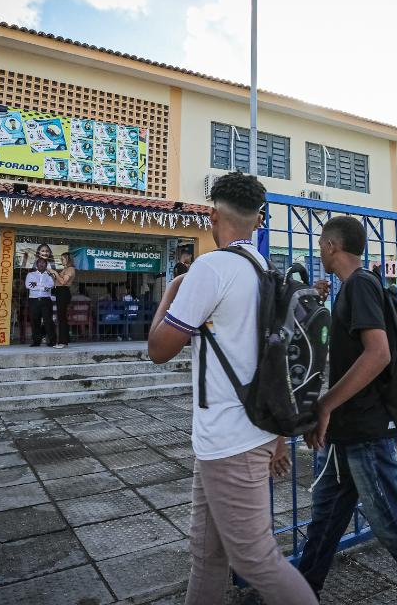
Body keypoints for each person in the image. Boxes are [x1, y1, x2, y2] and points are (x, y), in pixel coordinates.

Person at [147, 172, 316, 605]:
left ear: (210, 216)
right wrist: (277, 437)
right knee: (206, 555)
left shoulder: (210, 269)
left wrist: (170, 292)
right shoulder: (264, 270)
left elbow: (159, 348)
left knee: (257, 560)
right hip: (244, 433)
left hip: (229, 441)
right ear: (259, 220)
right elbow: (271, 360)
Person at [298, 216, 397, 605]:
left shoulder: (360, 284)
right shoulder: (354, 287)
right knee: (325, 521)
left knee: (392, 522)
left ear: (331, 246)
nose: (318, 251)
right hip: (347, 434)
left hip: (365, 433)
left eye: (320, 244)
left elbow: (377, 354)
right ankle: (298, 593)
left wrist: (325, 404)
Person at [25, 258, 55, 347]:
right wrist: (43, 287)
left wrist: (36, 285)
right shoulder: (30, 274)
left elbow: (50, 286)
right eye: (40, 263)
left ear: (46, 265)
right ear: (36, 265)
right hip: (34, 300)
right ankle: (36, 341)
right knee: (35, 321)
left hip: (46, 300)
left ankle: (52, 341)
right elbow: (28, 285)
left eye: (43, 263)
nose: (41, 264)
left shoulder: (50, 275)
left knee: (48, 321)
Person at [51, 251, 76, 349]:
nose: (61, 260)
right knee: (61, 318)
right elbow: (58, 281)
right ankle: (65, 340)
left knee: (62, 318)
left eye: (63, 259)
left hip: (63, 292)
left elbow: (63, 282)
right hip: (60, 292)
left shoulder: (70, 269)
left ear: (68, 259)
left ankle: (63, 342)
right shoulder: (65, 269)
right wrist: (54, 276)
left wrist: (55, 273)